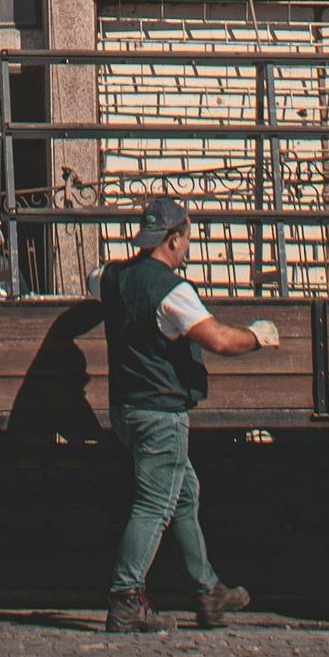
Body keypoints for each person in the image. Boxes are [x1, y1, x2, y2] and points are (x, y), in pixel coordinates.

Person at [89, 196, 280, 633]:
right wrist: (257, 336)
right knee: (155, 504)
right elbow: (219, 340)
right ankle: (125, 599)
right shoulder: (173, 292)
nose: (190, 245)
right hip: (160, 414)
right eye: (188, 237)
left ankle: (208, 590)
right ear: (174, 240)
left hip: (127, 410)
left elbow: (91, 279)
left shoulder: (112, 277)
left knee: (184, 495)